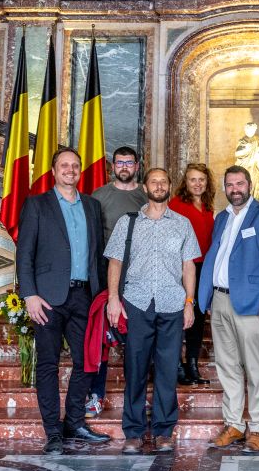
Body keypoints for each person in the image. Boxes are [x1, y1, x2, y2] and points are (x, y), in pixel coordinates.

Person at [16, 148, 111, 455]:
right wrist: (29, 294)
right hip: (47, 298)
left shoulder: (93, 206)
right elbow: (24, 253)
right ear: (54, 171)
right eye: (64, 166)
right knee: (48, 364)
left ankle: (74, 422)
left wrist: (105, 295)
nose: (70, 170)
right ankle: (53, 431)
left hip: (85, 296)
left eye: (75, 165)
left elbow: (99, 255)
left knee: (86, 361)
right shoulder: (37, 204)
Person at [105, 168, 200, 454]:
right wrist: (112, 299)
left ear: (170, 186)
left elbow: (188, 266)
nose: (159, 185)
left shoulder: (182, 224)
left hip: (172, 303)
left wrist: (189, 303)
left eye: (163, 181)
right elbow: (115, 263)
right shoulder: (128, 222)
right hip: (137, 302)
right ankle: (133, 432)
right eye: (154, 181)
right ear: (145, 186)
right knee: (135, 368)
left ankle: (163, 431)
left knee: (168, 370)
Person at [199, 165, 259, 453]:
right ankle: (234, 424)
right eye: (230, 184)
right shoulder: (221, 218)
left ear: (249, 185)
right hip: (220, 300)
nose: (235, 189)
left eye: (239, 183)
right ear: (225, 188)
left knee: (255, 367)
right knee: (227, 366)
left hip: (251, 301)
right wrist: (208, 297)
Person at [87, 146, 148, 418]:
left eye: (129, 162)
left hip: (140, 277)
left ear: (137, 166)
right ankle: (95, 395)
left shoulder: (147, 196)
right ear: (113, 166)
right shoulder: (99, 196)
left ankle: (138, 399)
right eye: (120, 162)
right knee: (100, 338)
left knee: (138, 340)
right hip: (106, 275)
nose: (125, 166)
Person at [168, 163, 216, 385]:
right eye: (192, 179)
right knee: (179, 317)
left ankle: (193, 364)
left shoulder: (207, 206)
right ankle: (176, 365)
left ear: (207, 182)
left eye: (201, 179)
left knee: (197, 318)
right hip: (182, 268)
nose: (197, 184)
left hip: (203, 269)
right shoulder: (176, 205)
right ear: (185, 182)